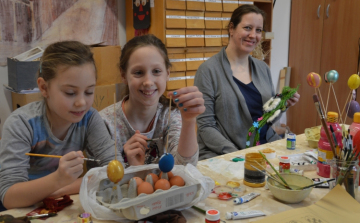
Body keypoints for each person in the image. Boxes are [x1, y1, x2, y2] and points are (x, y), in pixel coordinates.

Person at [0, 41, 118, 210]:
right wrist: (58, 180)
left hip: (59, 204)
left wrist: (60, 188)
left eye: (89, 91)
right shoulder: (21, 124)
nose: (82, 102)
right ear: (44, 87)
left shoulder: (90, 118)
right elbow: (9, 197)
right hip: (24, 209)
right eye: (70, 93)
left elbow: (114, 172)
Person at [194, 5, 300, 160]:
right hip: (227, 154)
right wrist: (238, 156)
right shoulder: (208, 71)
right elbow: (206, 127)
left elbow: (265, 119)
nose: (253, 35)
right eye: (247, 28)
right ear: (232, 28)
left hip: (264, 148)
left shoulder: (262, 68)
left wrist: (283, 105)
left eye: (258, 30)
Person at [99, 34, 205, 167]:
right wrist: (134, 170)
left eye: (156, 71)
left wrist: (189, 121)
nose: (148, 82)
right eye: (138, 72)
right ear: (123, 75)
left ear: (167, 73)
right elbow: (101, 180)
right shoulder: (104, 123)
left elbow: (185, 168)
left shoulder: (171, 115)